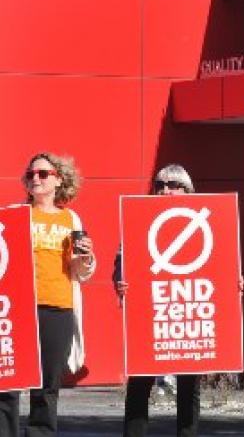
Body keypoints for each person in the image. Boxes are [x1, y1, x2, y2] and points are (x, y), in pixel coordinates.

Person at [0, 152, 95, 437]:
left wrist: (87, 258)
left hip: (58, 308)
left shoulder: (71, 218)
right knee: (8, 384)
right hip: (18, 310)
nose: (35, 179)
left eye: (43, 174)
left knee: (48, 386)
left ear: (59, 180)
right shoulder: (12, 214)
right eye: (30, 175)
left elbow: (80, 271)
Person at [113, 164, 201, 437]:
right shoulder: (137, 221)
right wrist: (120, 280)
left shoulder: (203, 222)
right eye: (159, 185)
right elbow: (120, 262)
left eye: (173, 184)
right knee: (139, 385)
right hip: (149, 314)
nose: (165, 190)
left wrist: (233, 284)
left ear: (188, 190)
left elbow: (218, 265)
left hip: (188, 311)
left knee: (189, 388)